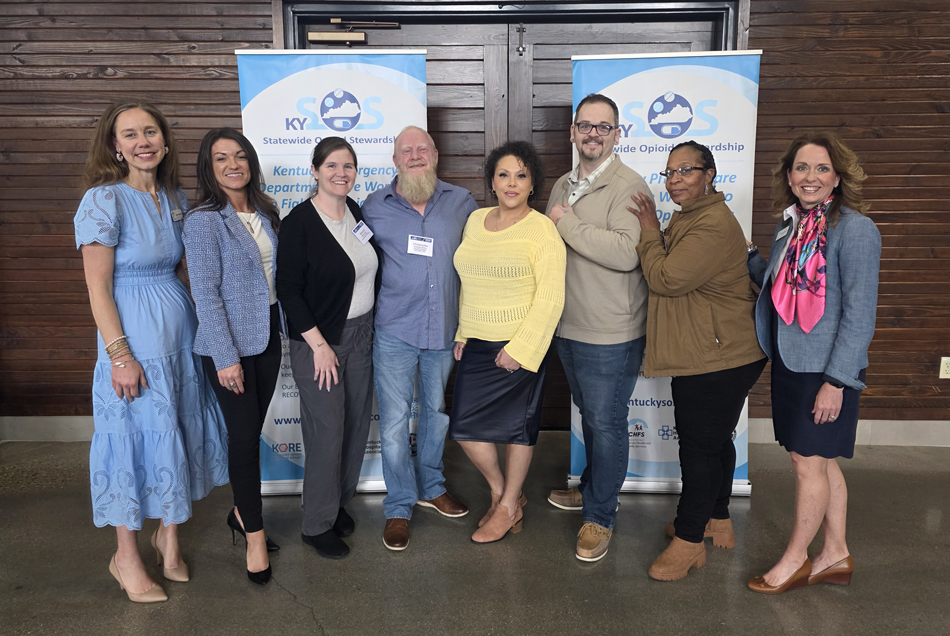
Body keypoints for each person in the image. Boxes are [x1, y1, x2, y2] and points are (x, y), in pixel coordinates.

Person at [74, 101, 229, 603]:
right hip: (133, 340)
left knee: (177, 429)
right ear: (114, 146)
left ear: (164, 140)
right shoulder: (103, 201)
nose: (143, 141)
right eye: (130, 134)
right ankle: (125, 557)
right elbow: (98, 289)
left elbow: (189, 267)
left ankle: (169, 535)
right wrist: (119, 355)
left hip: (179, 335)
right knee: (133, 443)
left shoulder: (175, 196)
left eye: (151, 131)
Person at [746, 132, 880, 594]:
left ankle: (796, 558)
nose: (811, 177)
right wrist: (752, 259)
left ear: (837, 178)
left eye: (821, 169)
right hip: (792, 361)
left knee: (808, 464)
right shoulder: (791, 227)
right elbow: (784, 284)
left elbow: (860, 314)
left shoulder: (855, 229)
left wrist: (837, 381)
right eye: (802, 168)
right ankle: (835, 552)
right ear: (789, 175)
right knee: (817, 462)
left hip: (827, 371)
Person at [628, 141, 767, 581]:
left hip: (717, 356)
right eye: (670, 172)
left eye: (686, 170)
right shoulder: (694, 216)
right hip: (717, 350)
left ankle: (689, 541)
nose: (675, 179)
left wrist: (649, 229)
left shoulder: (710, 223)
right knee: (714, 441)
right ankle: (716, 520)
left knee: (700, 449)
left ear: (710, 173)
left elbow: (667, 278)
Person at [544, 93, 653, 562]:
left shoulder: (630, 186)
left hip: (610, 333)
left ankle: (600, 516)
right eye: (585, 126)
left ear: (616, 134)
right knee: (592, 419)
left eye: (602, 127)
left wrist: (567, 224)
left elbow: (627, 253)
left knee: (606, 424)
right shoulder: (562, 185)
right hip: (568, 326)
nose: (593, 133)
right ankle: (592, 489)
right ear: (572, 131)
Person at [361, 126, 479, 551]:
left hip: (444, 329)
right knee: (393, 423)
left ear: (436, 155)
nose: (414, 156)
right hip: (394, 328)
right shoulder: (373, 207)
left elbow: (479, 264)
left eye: (422, 149)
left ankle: (432, 486)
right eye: (405, 151)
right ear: (395, 160)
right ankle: (398, 506)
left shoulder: (462, 202)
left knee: (436, 412)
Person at [450, 140, 566, 543]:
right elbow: (470, 283)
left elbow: (551, 297)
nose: (512, 183)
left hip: (519, 345)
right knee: (465, 429)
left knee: (518, 430)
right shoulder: (475, 220)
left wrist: (521, 350)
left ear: (532, 183)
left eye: (521, 175)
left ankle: (508, 503)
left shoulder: (542, 229)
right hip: (478, 342)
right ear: (492, 182)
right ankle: (504, 496)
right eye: (504, 175)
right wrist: (464, 331)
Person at [182, 128, 283, 585]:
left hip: (268, 337)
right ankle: (255, 534)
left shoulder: (266, 209)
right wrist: (225, 357)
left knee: (251, 433)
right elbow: (205, 293)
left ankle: (243, 514)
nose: (233, 164)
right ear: (209, 165)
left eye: (240, 156)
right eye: (221, 158)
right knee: (242, 439)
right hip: (228, 348)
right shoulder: (204, 219)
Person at [276, 137, 380, 560]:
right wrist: (318, 345)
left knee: (355, 425)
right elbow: (289, 290)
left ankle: (336, 504)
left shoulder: (356, 212)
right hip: (320, 343)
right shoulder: (299, 222)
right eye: (333, 166)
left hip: (361, 335)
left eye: (349, 166)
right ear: (315, 170)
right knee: (327, 431)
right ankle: (316, 524)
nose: (342, 173)